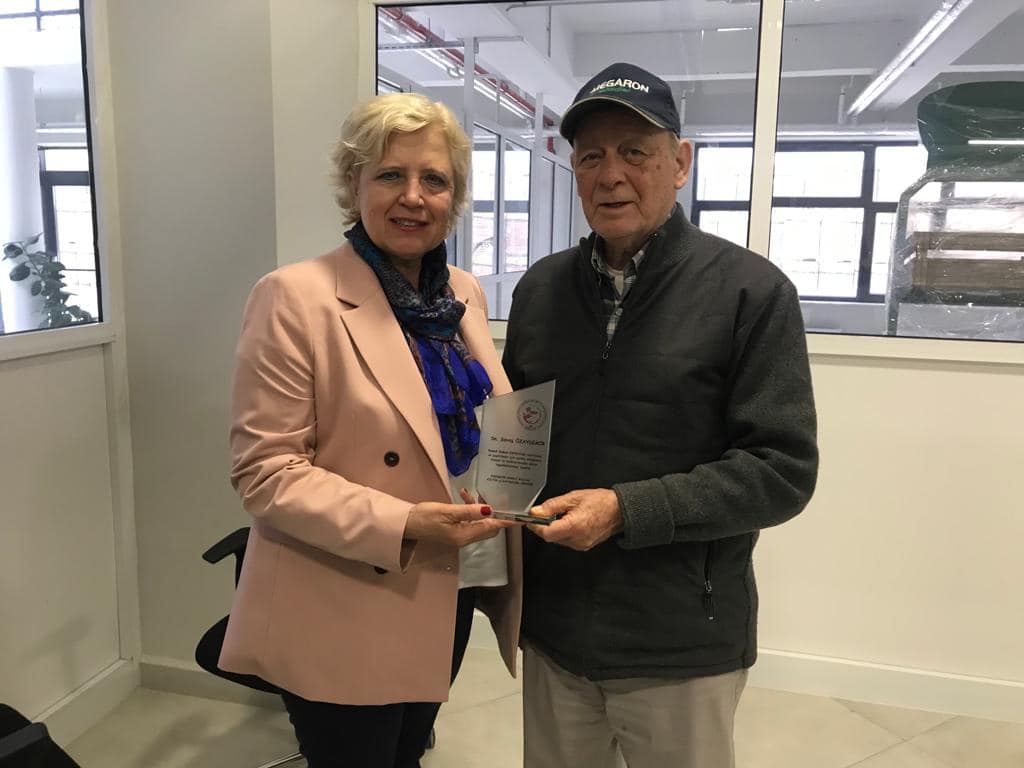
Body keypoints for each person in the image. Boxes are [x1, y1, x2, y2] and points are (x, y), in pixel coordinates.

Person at [502, 62, 819, 768]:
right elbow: (515, 442)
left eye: (634, 152)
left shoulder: (750, 293)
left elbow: (782, 473)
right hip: (555, 632)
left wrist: (626, 509)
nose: (610, 175)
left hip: (680, 639)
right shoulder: (541, 291)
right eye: (590, 156)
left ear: (680, 164)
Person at [219, 92, 522, 768]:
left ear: (454, 197)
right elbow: (265, 474)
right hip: (343, 594)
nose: (413, 196)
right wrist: (406, 522)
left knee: (407, 755)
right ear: (354, 184)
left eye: (433, 179)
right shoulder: (295, 296)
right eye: (390, 174)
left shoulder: (462, 293)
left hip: (447, 583)